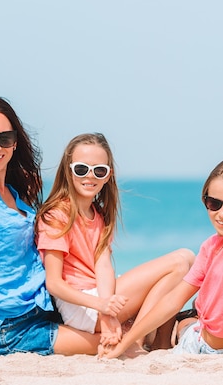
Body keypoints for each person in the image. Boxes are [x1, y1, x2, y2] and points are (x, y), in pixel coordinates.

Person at [0, 96, 111, 356]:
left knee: (125, 327)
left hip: (42, 309)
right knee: (114, 343)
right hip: (7, 327)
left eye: (4, 138)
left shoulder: (12, 190)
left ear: (15, 140)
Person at [102, 159, 223, 359]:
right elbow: (173, 299)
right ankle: (178, 324)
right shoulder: (210, 247)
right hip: (204, 342)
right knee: (186, 322)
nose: (222, 214)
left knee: (186, 325)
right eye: (214, 204)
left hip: (212, 347)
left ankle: (180, 324)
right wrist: (124, 344)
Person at [35, 133, 195, 355]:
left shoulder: (97, 214)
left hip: (100, 297)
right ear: (68, 170)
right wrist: (101, 307)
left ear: (108, 175)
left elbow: (103, 267)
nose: (90, 176)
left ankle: (156, 340)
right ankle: (135, 339)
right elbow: (54, 283)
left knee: (187, 260)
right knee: (180, 261)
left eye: (99, 170)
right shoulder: (56, 215)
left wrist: (108, 308)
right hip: (81, 306)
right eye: (81, 169)